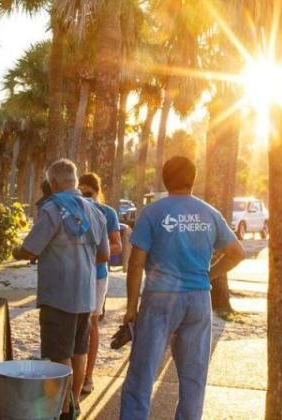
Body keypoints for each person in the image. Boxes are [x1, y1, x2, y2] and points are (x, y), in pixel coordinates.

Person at [120, 156, 245, 420]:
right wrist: (208, 276)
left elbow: (136, 263)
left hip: (160, 299)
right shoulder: (209, 212)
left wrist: (131, 308)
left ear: (165, 180)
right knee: (194, 377)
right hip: (198, 300)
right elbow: (236, 253)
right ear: (193, 179)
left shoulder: (153, 212)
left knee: (142, 373)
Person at [15, 160, 109, 420]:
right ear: (75, 182)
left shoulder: (53, 209)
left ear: (54, 183)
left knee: (59, 355)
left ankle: (62, 410)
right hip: (86, 294)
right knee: (79, 351)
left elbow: (31, 249)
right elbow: (104, 254)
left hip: (58, 296)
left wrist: (18, 251)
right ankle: (74, 402)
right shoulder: (95, 211)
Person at [77, 173, 122, 395]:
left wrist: (93, 255)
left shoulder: (108, 212)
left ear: (97, 192)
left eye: (89, 193)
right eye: (80, 193)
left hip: (97, 275)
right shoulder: (73, 211)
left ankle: (88, 376)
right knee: (74, 322)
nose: (85, 198)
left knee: (91, 322)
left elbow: (117, 246)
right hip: (74, 275)